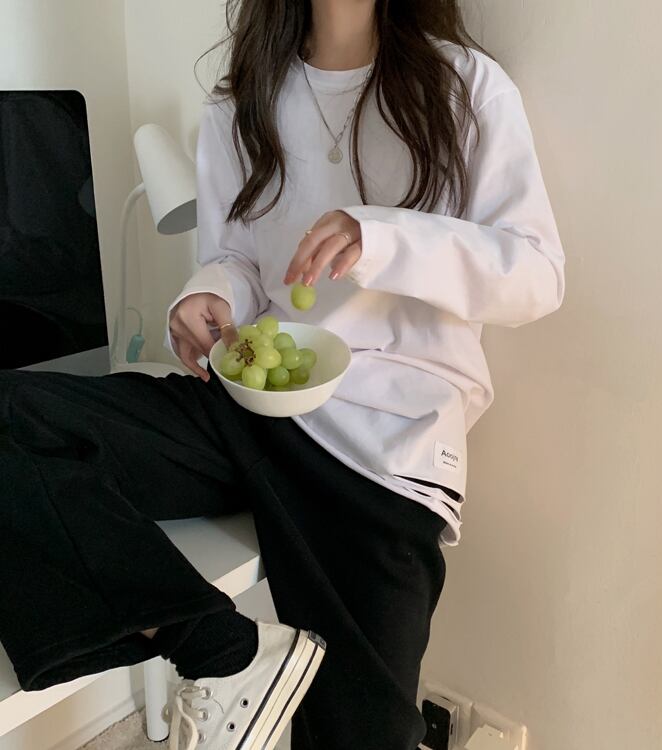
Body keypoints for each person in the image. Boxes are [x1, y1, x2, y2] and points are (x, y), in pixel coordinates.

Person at [0, 0, 566, 748]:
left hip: (381, 449)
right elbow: (236, 257)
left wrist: (380, 237)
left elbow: (536, 274)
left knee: (358, 736)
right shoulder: (242, 101)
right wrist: (208, 294)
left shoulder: (464, 87)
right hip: (245, 409)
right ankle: (221, 651)